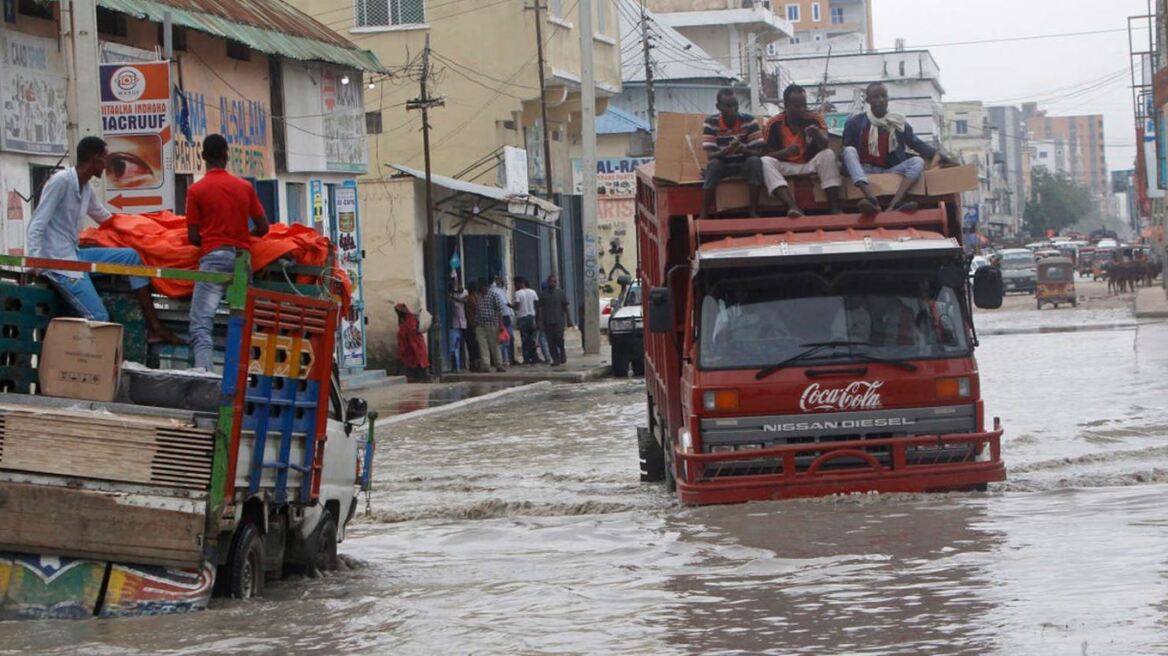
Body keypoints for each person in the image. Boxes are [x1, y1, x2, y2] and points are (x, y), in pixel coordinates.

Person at [27, 136, 179, 344]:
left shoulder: (85, 187)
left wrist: (145, 231)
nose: (107, 164)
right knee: (99, 318)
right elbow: (37, 223)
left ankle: (155, 327)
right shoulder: (61, 182)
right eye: (104, 159)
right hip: (60, 263)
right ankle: (88, 367)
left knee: (131, 257)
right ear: (94, 160)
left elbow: (105, 218)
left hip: (75, 254)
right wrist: (35, 262)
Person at [185, 134, 270, 371]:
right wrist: (242, 238)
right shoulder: (244, 187)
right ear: (226, 156)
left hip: (213, 259)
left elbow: (193, 237)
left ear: (203, 157)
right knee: (245, 323)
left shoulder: (196, 190)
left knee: (201, 323)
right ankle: (246, 377)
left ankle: (206, 376)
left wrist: (214, 239)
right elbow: (263, 228)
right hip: (242, 261)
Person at [842, 82, 957, 215]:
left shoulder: (898, 123)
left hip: (889, 170)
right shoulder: (855, 123)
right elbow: (844, 151)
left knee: (917, 162)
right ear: (868, 100)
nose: (880, 100)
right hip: (864, 171)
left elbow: (917, 144)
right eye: (875, 97)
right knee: (848, 151)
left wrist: (941, 156)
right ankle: (871, 199)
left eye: (883, 96)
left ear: (888, 98)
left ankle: (894, 204)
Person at [761, 84, 843, 216]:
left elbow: (825, 144)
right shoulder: (774, 123)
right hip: (786, 165)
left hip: (810, 163)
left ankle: (835, 208)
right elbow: (765, 154)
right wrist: (785, 152)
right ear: (786, 105)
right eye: (797, 106)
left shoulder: (814, 118)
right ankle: (793, 207)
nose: (802, 109)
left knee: (828, 154)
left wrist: (816, 134)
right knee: (765, 162)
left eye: (804, 105)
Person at [700, 88, 766, 219]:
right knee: (713, 165)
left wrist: (743, 149)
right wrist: (725, 151)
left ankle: (753, 210)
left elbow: (759, 153)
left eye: (735, 105)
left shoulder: (749, 121)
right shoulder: (710, 123)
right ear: (718, 107)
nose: (733, 109)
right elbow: (710, 155)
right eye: (728, 106)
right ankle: (704, 212)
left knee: (755, 162)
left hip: (744, 164)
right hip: (723, 165)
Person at [538, 273, 572, 366]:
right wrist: (540, 321)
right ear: (549, 282)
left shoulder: (560, 293)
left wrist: (569, 319)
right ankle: (555, 359)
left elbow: (566, 306)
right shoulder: (543, 295)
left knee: (559, 339)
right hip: (548, 322)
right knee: (550, 342)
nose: (554, 283)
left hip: (559, 321)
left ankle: (562, 352)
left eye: (555, 282)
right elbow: (540, 309)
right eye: (552, 282)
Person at [474, 277, 505, 372]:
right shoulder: (478, 296)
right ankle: (486, 365)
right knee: (482, 345)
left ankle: (499, 365)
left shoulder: (494, 295)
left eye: (481, 286)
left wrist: (501, 325)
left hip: (492, 323)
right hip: (480, 324)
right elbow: (477, 310)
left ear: (485, 286)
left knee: (494, 345)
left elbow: (500, 311)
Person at [394, 303, 430, 381]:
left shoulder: (410, 318)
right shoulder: (402, 318)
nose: (397, 313)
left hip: (415, 342)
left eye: (398, 311)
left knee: (420, 359)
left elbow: (411, 330)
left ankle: (424, 376)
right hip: (408, 343)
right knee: (410, 359)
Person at [513, 276, 540, 365]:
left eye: (515, 283)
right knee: (532, 339)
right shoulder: (533, 292)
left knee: (524, 340)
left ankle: (527, 358)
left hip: (523, 318)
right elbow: (536, 305)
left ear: (520, 283)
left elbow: (517, 307)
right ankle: (534, 356)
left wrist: (509, 305)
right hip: (531, 317)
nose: (514, 285)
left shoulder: (518, 293)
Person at [490, 274, 515, 365]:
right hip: (501, 316)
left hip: (505, 315)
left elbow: (505, 285)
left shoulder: (500, 290)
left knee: (505, 338)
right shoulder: (494, 290)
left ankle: (506, 359)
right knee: (503, 339)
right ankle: (504, 359)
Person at [447, 279, 468, 371]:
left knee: (461, 346)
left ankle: (461, 366)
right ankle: (455, 367)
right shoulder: (452, 294)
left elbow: (464, 300)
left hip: (464, 324)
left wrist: (452, 297)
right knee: (453, 346)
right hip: (454, 324)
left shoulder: (465, 293)